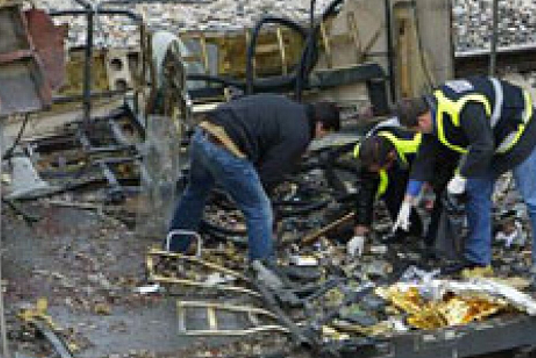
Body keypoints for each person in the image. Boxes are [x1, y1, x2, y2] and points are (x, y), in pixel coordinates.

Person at [395, 76, 536, 290]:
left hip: (518, 135)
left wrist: (461, 176)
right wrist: (408, 201)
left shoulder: (464, 108)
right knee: (476, 195)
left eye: (416, 130)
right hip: (486, 145)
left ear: (422, 120)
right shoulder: (432, 118)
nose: (417, 134)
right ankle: (478, 260)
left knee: (535, 201)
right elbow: (424, 158)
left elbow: (483, 145)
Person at [167, 94, 341, 263]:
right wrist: (264, 196)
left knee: (195, 193)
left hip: (203, 134)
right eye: (325, 134)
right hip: (225, 147)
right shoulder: (300, 133)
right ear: (320, 125)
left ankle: (175, 248)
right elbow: (271, 171)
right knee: (260, 210)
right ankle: (262, 267)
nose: (321, 138)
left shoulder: (287, 106)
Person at [347, 118, 453, 259]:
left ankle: (436, 239)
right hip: (398, 162)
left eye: (379, 169)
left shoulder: (414, 144)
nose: (377, 173)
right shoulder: (365, 153)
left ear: (391, 156)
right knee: (392, 194)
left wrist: (430, 184)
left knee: (443, 196)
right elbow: (366, 191)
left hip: (435, 158)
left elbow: (440, 169)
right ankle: (408, 232)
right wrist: (360, 230)